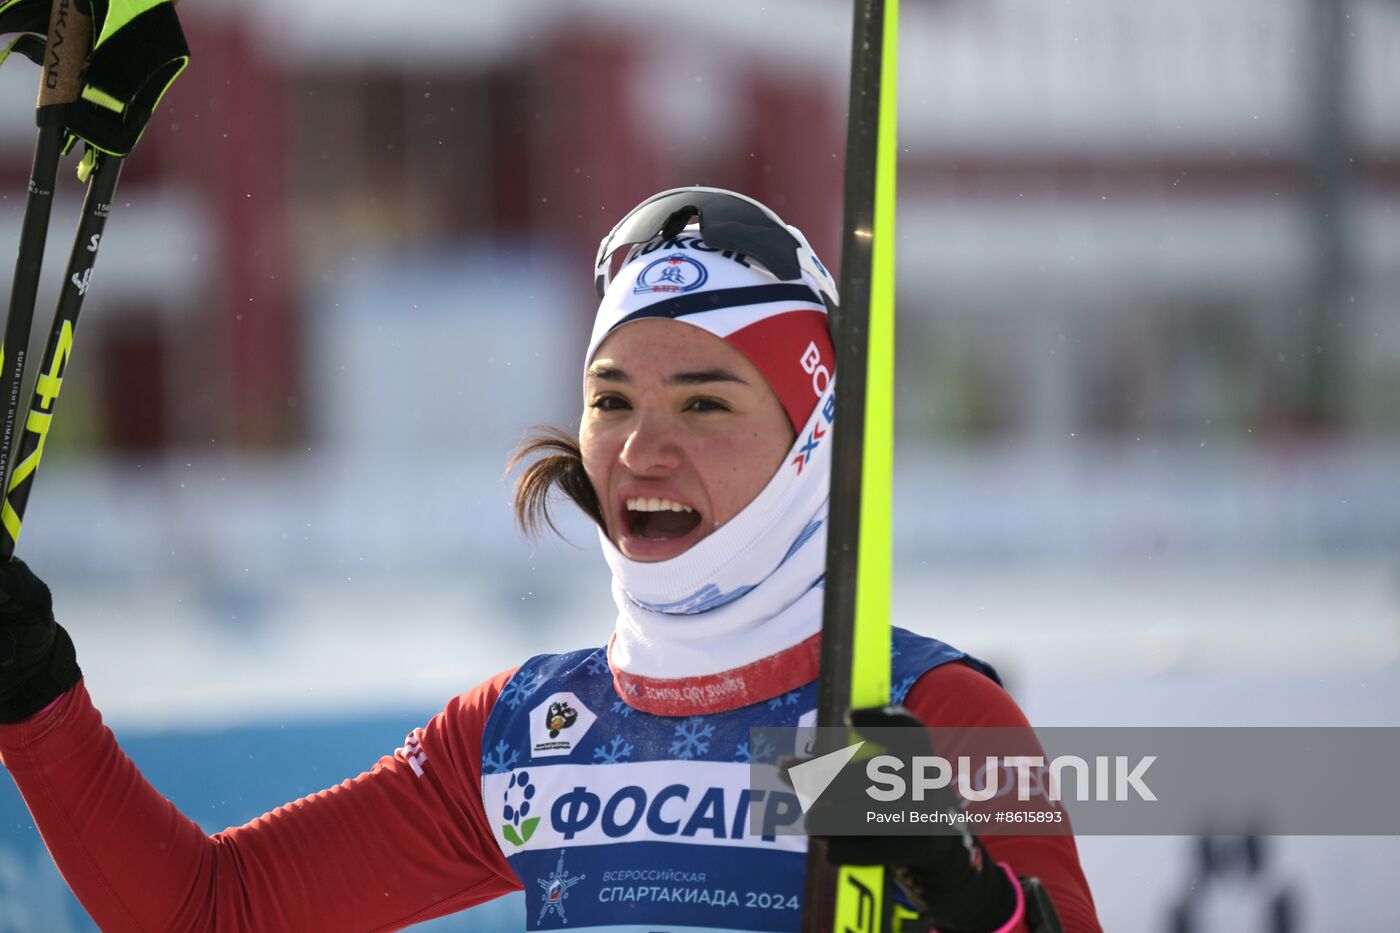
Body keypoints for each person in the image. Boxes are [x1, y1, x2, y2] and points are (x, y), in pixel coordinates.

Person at [0, 187, 1101, 932]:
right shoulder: (528, 733)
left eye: (704, 402)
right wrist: (35, 690)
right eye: (610, 400)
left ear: (813, 441)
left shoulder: (928, 713)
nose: (639, 446)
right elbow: (209, 909)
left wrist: (963, 897)